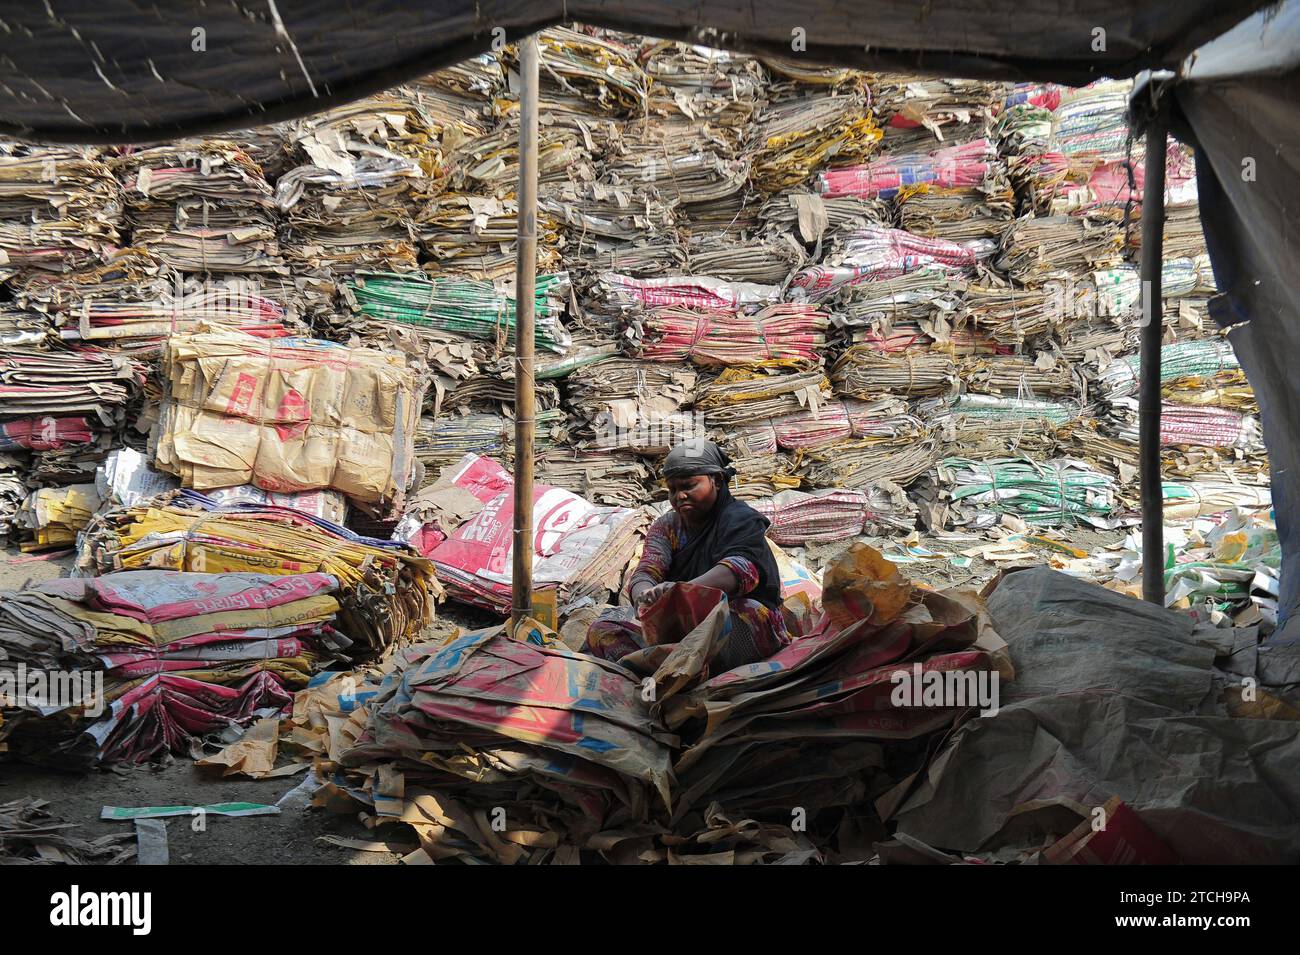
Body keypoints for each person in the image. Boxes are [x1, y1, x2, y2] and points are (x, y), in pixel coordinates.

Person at [584, 438, 790, 670]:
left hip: (732, 623)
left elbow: (740, 572)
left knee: (744, 613)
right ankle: (676, 665)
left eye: (688, 486)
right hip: (684, 627)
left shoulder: (741, 519)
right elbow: (647, 571)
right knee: (603, 629)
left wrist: (680, 592)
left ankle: (672, 665)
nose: (679, 496)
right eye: (672, 490)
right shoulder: (667, 527)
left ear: (717, 481)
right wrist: (646, 595)